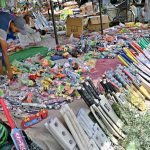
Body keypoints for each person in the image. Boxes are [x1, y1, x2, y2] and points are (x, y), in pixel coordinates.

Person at [0, 12, 26, 79]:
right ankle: (1, 74)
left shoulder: (13, 18)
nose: (17, 32)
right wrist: (9, 71)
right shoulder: (3, 28)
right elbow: (4, 52)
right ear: (12, 24)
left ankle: (2, 72)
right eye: (17, 30)